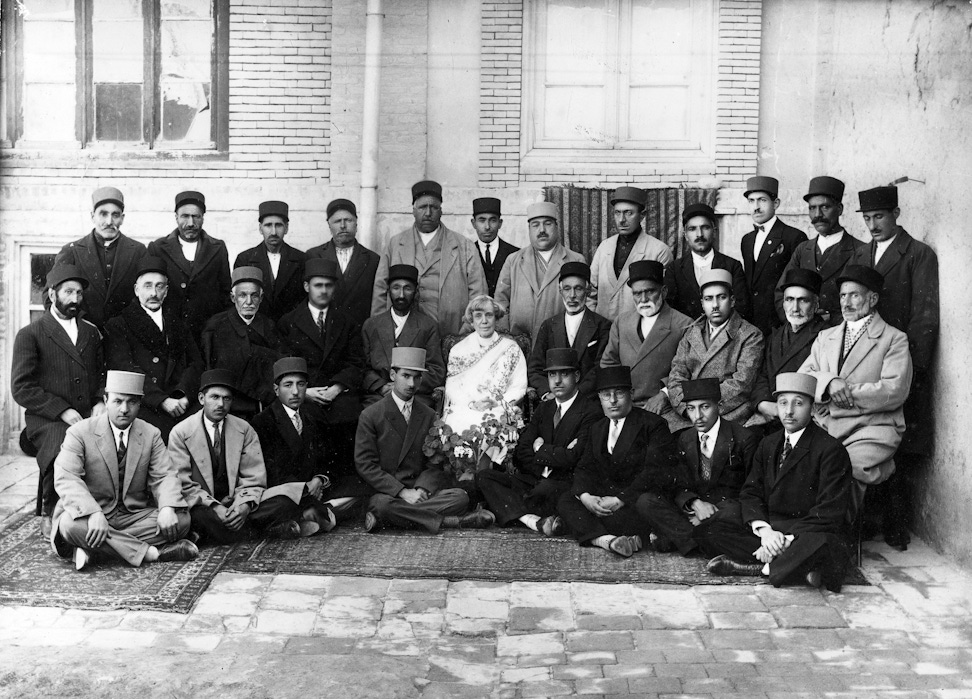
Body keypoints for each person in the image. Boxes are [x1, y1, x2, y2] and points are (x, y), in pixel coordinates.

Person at [693, 373, 853, 592]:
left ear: (812, 407)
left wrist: (786, 540)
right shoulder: (768, 443)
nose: (788, 411)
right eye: (783, 403)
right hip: (772, 528)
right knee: (712, 530)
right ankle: (795, 567)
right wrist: (766, 532)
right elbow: (751, 492)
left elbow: (828, 511)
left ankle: (757, 568)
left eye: (798, 403)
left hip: (806, 530)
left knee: (823, 543)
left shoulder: (830, 450)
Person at [847, 185, 939, 548]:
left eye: (880, 217)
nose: (873, 225)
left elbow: (924, 317)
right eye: (867, 218)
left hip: (900, 365)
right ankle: (869, 521)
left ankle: (897, 526)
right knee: (867, 439)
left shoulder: (918, 254)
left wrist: (911, 370)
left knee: (896, 446)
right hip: (862, 364)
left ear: (897, 214)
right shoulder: (861, 252)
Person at [51, 371, 198, 570]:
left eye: (132, 402)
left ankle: (93, 549)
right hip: (91, 513)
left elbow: (164, 475)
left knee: (181, 519)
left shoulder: (151, 434)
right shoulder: (79, 432)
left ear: (140, 403)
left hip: (132, 514)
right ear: (105, 400)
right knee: (69, 525)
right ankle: (151, 553)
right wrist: (93, 513)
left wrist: (166, 508)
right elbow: (66, 477)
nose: (124, 409)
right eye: (117, 401)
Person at [798, 266, 913, 514]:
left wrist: (844, 392)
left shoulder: (894, 338)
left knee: (844, 467)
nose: (846, 303)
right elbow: (803, 378)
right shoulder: (825, 337)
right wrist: (829, 383)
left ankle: (835, 536)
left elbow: (895, 390)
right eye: (842, 296)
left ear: (872, 299)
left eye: (854, 295)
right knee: (803, 466)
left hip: (872, 427)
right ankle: (812, 532)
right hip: (826, 426)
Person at [355, 347, 495, 534]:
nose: (411, 383)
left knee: (460, 497)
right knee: (380, 504)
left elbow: (435, 461)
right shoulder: (371, 415)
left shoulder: (428, 414)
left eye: (417, 377)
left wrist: (422, 489)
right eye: (405, 376)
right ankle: (452, 521)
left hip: (421, 492)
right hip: (389, 493)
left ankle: (391, 519)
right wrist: (402, 492)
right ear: (392, 375)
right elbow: (365, 464)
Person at [11, 265, 106, 535]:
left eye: (78, 293)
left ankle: (97, 510)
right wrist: (61, 410)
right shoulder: (31, 333)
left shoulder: (90, 332)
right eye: (68, 292)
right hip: (46, 418)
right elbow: (21, 387)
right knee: (60, 447)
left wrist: (99, 400)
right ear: (52, 294)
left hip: (87, 413)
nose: (75, 299)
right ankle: (50, 511)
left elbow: (101, 374)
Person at [477, 349, 601, 536]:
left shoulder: (591, 411)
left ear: (576, 376)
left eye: (564, 374)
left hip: (564, 482)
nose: (557, 381)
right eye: (552, 374)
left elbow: (575, 458)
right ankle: (532, 521)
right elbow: (521, 453)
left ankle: (513, 510)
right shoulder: (545, 408)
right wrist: (551, 456)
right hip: (535, 478)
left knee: (544, 490)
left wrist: (540, 448)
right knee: (485, 477)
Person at [557, 366, 677, 557]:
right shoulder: (597, 427)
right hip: (606, 502)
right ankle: (608, 541)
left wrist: (621, 499)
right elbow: (584, 467)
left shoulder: (652, 424)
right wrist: (586, 497)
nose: (612, 401)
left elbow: (653, 472)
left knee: (630, 513)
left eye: (619, 393)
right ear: (599, 398)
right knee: (566, 500)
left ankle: (602, 536)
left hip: (632, 501)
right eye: (606, 395)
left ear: (631, 394)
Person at [637, 378, 758, 556]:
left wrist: (710, 513)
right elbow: (678, 483)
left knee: (735, 513)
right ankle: (700, 541)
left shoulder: (743, 438)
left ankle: (684, 539)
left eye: (705, 407)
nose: (698, 416)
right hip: (695, 509)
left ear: (719, 405)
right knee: (646, 501)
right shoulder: (684, 438)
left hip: (724, 510)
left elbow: (751, 490)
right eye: (691, 408)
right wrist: (694, 503)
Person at [251, 358, 364, 536]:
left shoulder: (312, 416)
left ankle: (309, 516)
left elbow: (326, 458)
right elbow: (271, 470)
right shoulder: (263, 421)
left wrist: (319, 479)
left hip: (314, 487)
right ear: (276, 389)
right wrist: (305, 488)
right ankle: (312, 515)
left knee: (359, 488)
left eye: (301, 384)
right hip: (287, 489)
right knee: (281, 503)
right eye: (288, 385)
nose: (295, 392)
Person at [277, 258, 365, 475]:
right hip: (304, 394)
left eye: (328, 285)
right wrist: (305, 392)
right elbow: (283, 365)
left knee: (350, 418)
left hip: (338, 394)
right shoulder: (288, 322)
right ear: (307, 287)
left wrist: (336, 388)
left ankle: (344, 487)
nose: (323, 291)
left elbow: (356, 363)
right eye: (318, 285)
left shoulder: (347, 322)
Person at [372, 180, 487, 337]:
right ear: (413, 210)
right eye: (422, 207)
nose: (427, 213)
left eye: (433, 207)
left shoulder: (463, 246)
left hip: (452, 332)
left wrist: (466, 332)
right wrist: (381, 331)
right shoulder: (395, 244)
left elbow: (478, 294)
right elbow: (380, 289)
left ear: (441, 211)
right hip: (403, 334)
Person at [105, 256, 202, 441]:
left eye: (159, 286)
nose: (154, 293)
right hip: (145, 403)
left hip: (180, 401)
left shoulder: (178, 324)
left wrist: (183, 395)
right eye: (148, 286)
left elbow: (195, 363)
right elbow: (125, 367)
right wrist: (162, 401)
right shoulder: (119, 325)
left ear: (166, 291)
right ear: (136, 289)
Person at [168, 370, 267, 545]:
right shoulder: (181, 432)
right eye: (214, 397)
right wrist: (216, 507)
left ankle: (214, 534)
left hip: (237, 501)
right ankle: (256, 531)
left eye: (226, 398)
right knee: (195, 515)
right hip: (205, 505)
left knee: (281, 500)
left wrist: (243, 506)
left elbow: (254, 476)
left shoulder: (244, 429)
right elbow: (183, 484)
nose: (220, 404)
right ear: (201, 399)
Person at [663, 269, 764, 432]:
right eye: (709, 299)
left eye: (721, 297)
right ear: (702, 303)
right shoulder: (691, 332)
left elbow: (741, 384)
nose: (715, 305)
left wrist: (704, 409)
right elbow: (676, 375)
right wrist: (689, 408)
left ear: (732, 301)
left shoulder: (750, 335)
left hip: (727, 413)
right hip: (688, 413)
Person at [601, 260, 692, 412]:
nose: (643, 299)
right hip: (625, 405)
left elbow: (690, 371)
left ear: (663, 291)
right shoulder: (622, 322)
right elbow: (608, 364)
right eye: (637, 293)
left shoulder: (683, 324)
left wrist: (664, 394)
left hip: (664, 407)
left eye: (650, 291)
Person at [54, 187, 147, 331]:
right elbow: (51, 296)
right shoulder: (72, 251)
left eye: (115, 215)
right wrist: (77, 323)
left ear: (122, 218)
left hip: (125, 336)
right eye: (103, 214)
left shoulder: (138, 251)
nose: (109, 221)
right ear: (93, 216)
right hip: (83, 334)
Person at [774, 177, 862, 325]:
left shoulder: (859, 250)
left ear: (839, 209)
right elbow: (780, 293)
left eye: (825, 207)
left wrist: (829, 322)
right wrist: (796, 321)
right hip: (802, 333)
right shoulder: (802, 250)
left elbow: (862, 302)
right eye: (812, 208)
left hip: (839, 334)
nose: (817, 215)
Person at [146, 190, 232, 344]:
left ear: (203, 218)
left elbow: (225, 292)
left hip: (207, 331)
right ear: (176, 218)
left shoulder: (217, 248)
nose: (191, 223)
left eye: (196, 216)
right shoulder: (158, 248)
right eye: (185, 216)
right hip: (171, 330)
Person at [199, 266, 281, 420]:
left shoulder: (269, 326)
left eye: (254, 296)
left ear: (261, 298)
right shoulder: (215, 326)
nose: (249, 302)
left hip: (262, 404)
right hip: (228, 405)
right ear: (232, 297)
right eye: (242, 295)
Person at [441, 295, 527, 439]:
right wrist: (471, 404)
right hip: (466, 407)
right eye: (478, 316)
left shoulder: (511, 348)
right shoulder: (459, 349)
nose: (484, 321)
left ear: (496, 318)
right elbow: (452, 386)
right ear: (471, 320)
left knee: (494, 425)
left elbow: (519, 386)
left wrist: (496, 402)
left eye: (489, 315)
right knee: (458, 421)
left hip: (498, 407)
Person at [494, 202, 585, 337]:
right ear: (529, 229)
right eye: (535, 225)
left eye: (547, 223)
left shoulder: (575, 260)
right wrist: (506, 336)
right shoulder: (513, 260)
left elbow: (585, 303)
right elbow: (500, 302)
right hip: (520, 341)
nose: (542, 230)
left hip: (560, 341)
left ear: (557, 226)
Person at [752, 269, 827, 427]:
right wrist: (763, 403)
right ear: (783, 302)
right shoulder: (775, 336)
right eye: (790, 299)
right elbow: (762, 375)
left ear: (816, 304)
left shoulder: (826, 336)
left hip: (804, 419)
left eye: (803, 300)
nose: (795, 308)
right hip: (770, 415)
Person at [528, 261, 612, 403]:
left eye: (578, 288)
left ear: (588, 291)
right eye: (567, 289)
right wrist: (547, 393)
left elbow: (601, 368)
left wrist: (575, 396)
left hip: (587, 400)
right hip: (554, 399)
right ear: (560, 291)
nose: (572, 295)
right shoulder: (549, 326)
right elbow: (535, 368)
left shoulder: (603, 325)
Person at [361, 264, 444, 406]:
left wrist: (404, 385)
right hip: (379, 395)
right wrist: (381, 386)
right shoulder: (372, 325)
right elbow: (363, 367)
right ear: (388, 291)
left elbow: (436, 370)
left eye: (407, 288)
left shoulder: (428, 325)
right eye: (396, 288)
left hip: (415, 396)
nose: (401, 295)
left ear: (416, 292)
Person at [588, 186, 674, 322]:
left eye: (628, 213)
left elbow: (663, 298)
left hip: (637, 332)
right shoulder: (604, 247)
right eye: (617, 213)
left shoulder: (659, 250)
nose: (621, 219)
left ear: (642, 215)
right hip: (602, 331)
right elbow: (590, 291)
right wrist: (594, 324)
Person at [740, 176, 807, 335]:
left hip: (780, 323)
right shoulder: (747, 240)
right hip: (751, 324)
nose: (756, 207)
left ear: (775, 203)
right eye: (751, 201)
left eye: (762, 200)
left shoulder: (794, 237)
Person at [665, 202, 750, 321]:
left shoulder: (732, 266)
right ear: (685, 235)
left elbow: (741, 307)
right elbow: (670, 310)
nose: (699, 234)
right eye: (692, 229)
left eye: (705, 227)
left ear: (714, 231)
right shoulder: (675, 269)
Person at [305, 198, 380, 330]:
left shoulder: (373, 259)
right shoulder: (314, 255)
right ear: (329, 225)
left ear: (356, 223)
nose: (343, 226)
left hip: (358, 331)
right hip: (325, 331)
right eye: (337, 221)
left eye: (348, 220)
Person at [234, 200, 308, 323]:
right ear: (260, 228)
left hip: (290, 328)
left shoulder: (301, 259)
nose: (273, 232)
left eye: (278, 225)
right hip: (257, 328)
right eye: (268, 225)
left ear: (286, 228)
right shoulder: (245, 259)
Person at [470, 197, 518, 297]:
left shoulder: (515, 254)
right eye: (482, 220)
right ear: (473, 223)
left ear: (500, 223)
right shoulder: (466, 253)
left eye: (492, 220)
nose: (487, 227)